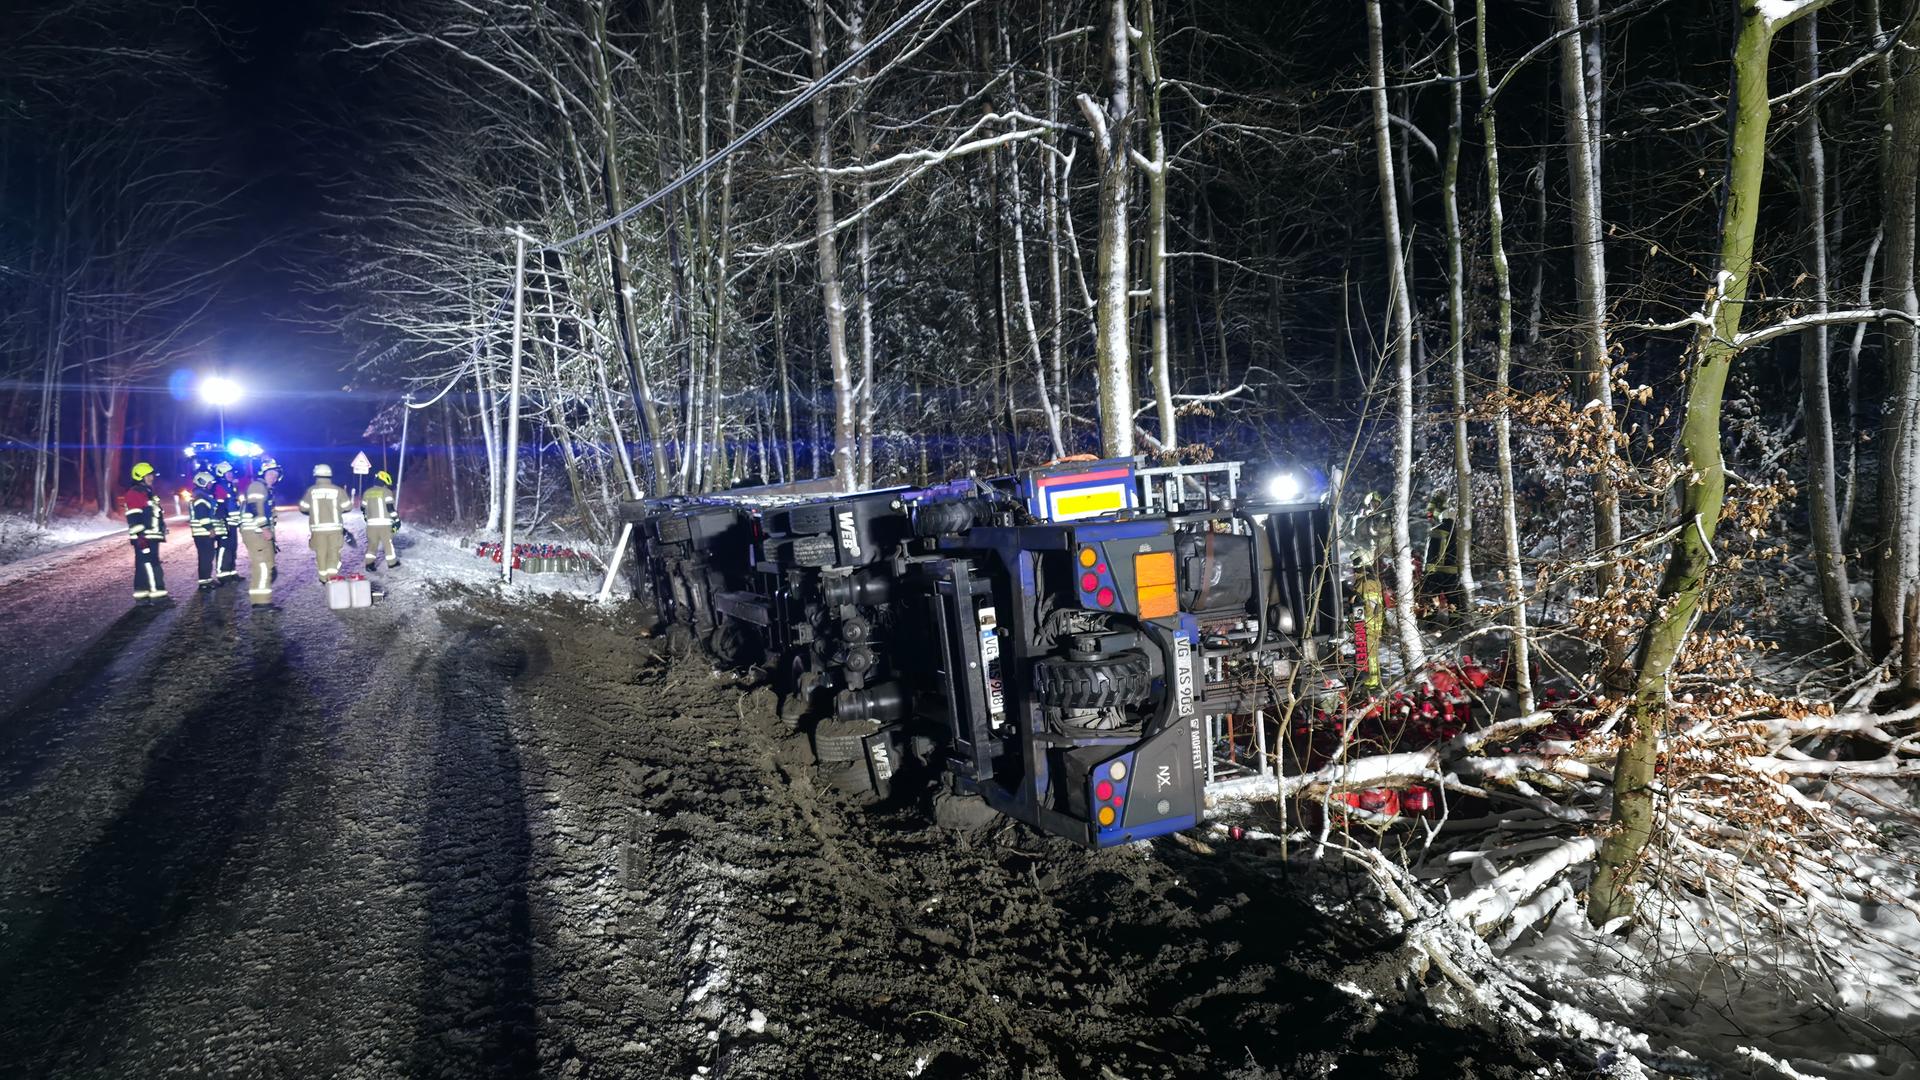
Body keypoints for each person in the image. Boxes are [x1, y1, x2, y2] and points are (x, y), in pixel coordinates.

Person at [125, 462, 171, 605]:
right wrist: (141, 537)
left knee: (143, 566)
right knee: (152, 565)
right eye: (148, 475)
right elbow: (134, 517)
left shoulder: (147, 492)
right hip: (145, 537)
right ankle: (158, 596)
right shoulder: (135, 493)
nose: (151, 478)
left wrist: (161, 528)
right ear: (140, 477)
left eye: (151, 475)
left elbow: (153, 515)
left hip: (150, 536)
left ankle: (142, 596)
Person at [242, 458, 283, 609]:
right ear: (263, 473)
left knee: (268, 565)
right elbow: (255, 508)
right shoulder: (257, 486)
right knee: (263, 566)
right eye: (270, 473)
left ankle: (262, 599)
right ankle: (261, 602)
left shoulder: (265, 488)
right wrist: (264, 527)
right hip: (256, 532)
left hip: (259, 532)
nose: (273, 477)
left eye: (276, 475)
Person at [300, 463, 351, 582]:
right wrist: (338, 510)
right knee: (334, 552)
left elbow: (303, 508)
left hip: (318, 529)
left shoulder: (311, 491)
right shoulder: (338, 490)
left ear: (316, 475)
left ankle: (323, 578)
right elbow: (348, 507)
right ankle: (333, 578)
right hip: (335, 528)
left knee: (321, 553)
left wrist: (312, 512)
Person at [189, 469, 224, 591]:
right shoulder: (201, 498)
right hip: (203, 533)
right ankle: (204, 583)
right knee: (205, 557)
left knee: (207, 557)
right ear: (203, 483)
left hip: (203, 533)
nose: (211, 485)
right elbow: (202, 516)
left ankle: (207, 580)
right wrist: (210, 529)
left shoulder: (203, 496)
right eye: (209, 483)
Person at [360, 469, 400, 570]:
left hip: (371, 525)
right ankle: (392, 563)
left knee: (372, 545)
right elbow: (390, 508)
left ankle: (369, 565)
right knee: (387, 544)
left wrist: (367, 518)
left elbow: (363, 508)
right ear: (384, 482)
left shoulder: (367, 493)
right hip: (385, 524)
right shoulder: (387, 492)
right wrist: (396, 520)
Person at [212, 460, 243, 585]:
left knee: (232, 547)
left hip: (232, 523)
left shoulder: (231, 486)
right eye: (228, 473)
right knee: (224, 548)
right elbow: (220, 507)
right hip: (224, 524)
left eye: (231, 472)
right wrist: (223, 521)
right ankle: (223, 574)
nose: (231, 475)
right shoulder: (219, 487)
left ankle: (231, 571)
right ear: (221, 474)